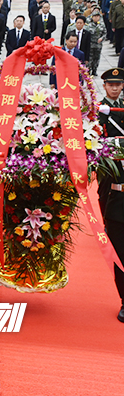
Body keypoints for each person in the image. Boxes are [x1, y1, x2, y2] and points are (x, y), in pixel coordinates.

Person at [96, 68, 124, 323]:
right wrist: (101, 119)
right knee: (106, 194)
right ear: (104, 86)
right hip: (110, 168)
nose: (114, 88)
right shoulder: (99, 109)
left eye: (118, 84)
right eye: (110, 84)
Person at [88, 11, 107, 76]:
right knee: (90, 58)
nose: (96, 18)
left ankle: (94, 70)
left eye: (97, 16)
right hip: (90, 44)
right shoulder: (89, 25)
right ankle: (88, 70)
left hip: (98, 45)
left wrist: (102, 38)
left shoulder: (101, 25)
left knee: (97, 58)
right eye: (95, 16)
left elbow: (105, 33)